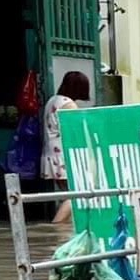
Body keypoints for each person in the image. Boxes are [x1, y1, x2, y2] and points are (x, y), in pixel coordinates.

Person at [40, 71, 92, 227]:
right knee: (75, 194)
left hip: (52, 155)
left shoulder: (52, 101)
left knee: (68, 195)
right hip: (64, 156)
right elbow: (77, 132)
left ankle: (64, 230)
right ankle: (55, 228)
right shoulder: (68, 104)